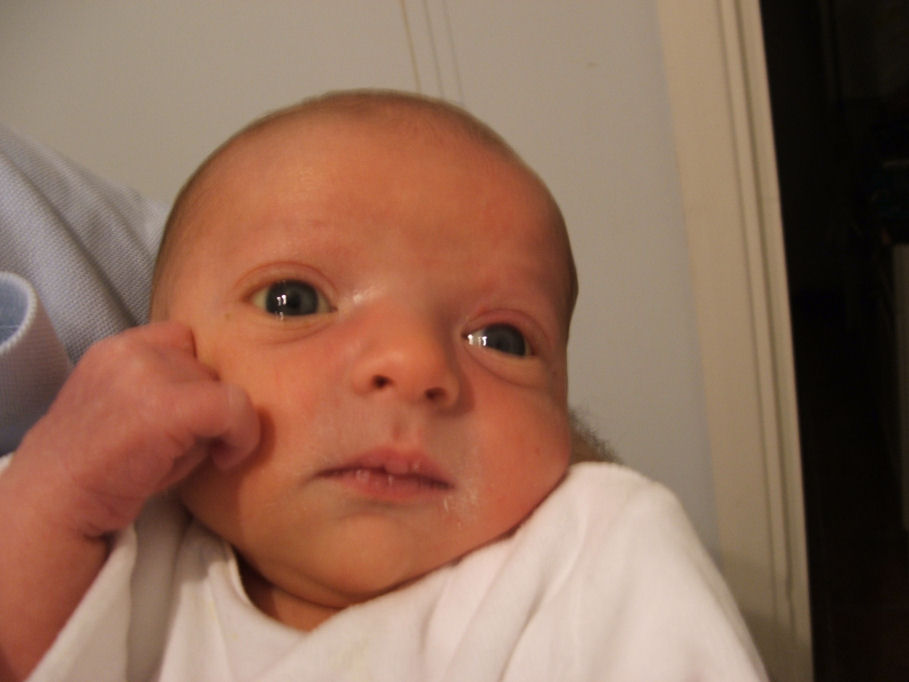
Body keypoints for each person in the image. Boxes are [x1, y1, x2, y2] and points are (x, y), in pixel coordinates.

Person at [0, 90, 767, 681]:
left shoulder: (591, 553)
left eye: (501, 339)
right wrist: (56, 480)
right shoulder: (111, 532)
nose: (413, 363)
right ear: (154, 355)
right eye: (294, 300)